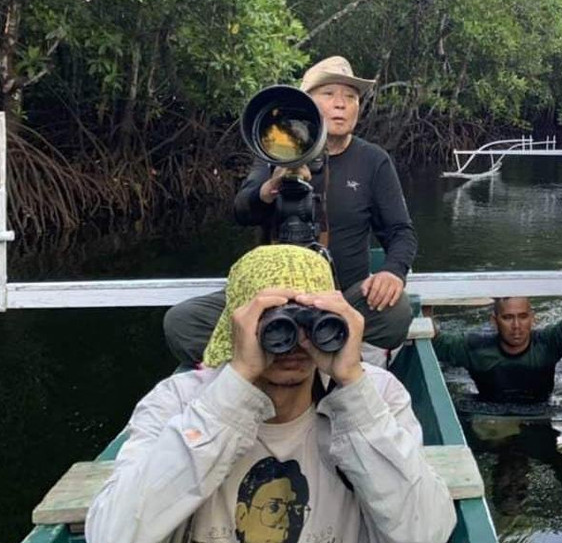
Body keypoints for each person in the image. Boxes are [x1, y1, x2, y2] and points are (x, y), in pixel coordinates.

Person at [86, 245, 456, 543]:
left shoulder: (375, 396)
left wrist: (351, 384)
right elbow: (113, 542)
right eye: (274, 324)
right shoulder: (179, 401)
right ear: (239, 326)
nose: (295, 342)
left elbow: (423, 535)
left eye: (312, 323)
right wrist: (236, 383)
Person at [165, 55, 417, 367]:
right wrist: (272, 186)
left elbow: (400, 232)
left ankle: (291, 354)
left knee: (396, 313)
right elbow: (242, 211)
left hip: (338, 298)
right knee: (181, 323)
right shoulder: (276, 150)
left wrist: (393, 272)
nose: (341, 104)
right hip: (269, 296)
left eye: (351, 97)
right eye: (329, 94)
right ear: (306, 105)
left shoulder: (373, 160)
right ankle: (302, 352)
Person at [429, 265, 562, 404]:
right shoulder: (475, 348)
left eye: (523, 317)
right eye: (508, 318)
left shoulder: (547, 344)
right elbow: (434, 341)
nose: (517, 326)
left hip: (540, 411)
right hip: (489, 413)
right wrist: (426, 303)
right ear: (494, 321)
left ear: (532, 319)